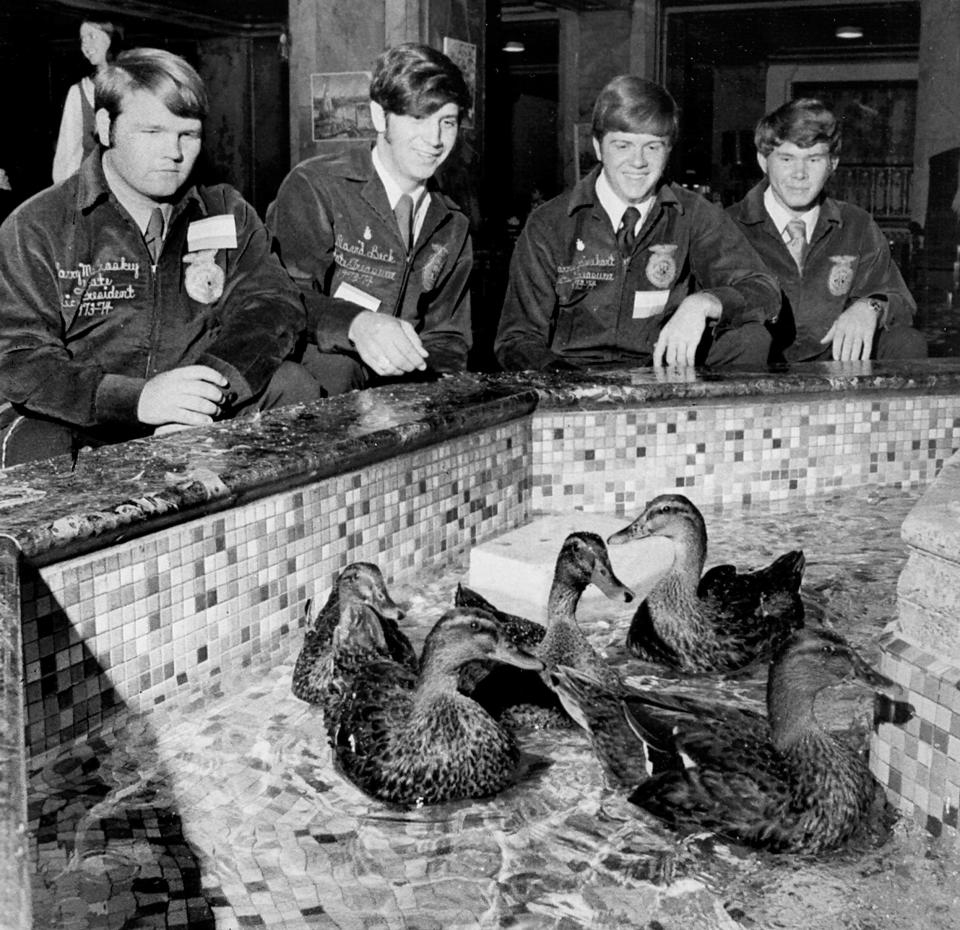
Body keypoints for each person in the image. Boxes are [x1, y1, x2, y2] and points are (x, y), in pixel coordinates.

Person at [0, 48, 321, 468]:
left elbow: (272, 306)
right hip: (87, 418)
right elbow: (20, 355)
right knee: (34, 442)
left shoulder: (225, 209)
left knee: (293, 385)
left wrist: (202, 393)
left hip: (199, 403)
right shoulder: (38, 225)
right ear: (105, 127)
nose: (174, 152)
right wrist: (139, 401)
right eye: (152, 132)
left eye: (188, 135)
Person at [494, 75, 779, 372]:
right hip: (569, 379)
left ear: (669, 150)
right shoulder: (550, 223)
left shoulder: (693, 214)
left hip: (660, 375)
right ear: (597, 147)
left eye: (653, 147)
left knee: (751, 338)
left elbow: (764, 290)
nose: (638, 162)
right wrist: (570, 386)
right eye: (623, 145)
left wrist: (704, 302)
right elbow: (516, 339)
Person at [267, 42, 474, 395]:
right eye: (418, 118)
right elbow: (280, 299)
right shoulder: (317, 186)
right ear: (380, 117)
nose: (435, 139)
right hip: (321, 392)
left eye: (448, 121)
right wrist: (356, 324)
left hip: (398, 399)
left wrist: (428, 393)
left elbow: (447, 336)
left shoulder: (452, 224)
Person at [728, 98, 927, 362]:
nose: (799, 174)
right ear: (764, 161)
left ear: (832, 163)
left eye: (813, 159)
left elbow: (900, 300)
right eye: (787, 158)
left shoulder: (857, 224)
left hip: (835, 359)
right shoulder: (726, 225)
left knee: (906, 342)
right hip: (753, 364)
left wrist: (870, 306)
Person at [53, 19, 124, 184]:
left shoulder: (134, 86)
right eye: (82, 39)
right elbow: (67, 153)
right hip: (93, 187)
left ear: (111, 38)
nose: (85, 45)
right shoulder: (79, 92)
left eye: (91, 36)